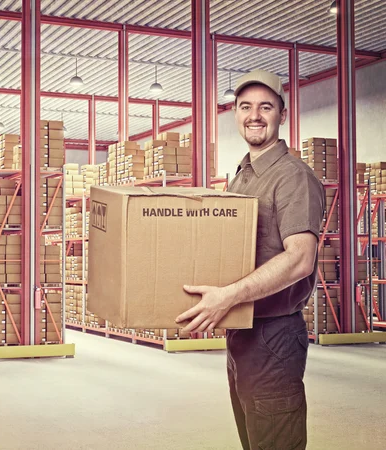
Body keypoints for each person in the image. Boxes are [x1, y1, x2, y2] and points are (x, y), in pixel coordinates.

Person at [175, 69, 325, 450]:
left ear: (282, 114)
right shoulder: (242, 176)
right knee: (254, 440)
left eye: (265, 107)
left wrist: (227, 297)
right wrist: (204, 306)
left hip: (274, 337)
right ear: (235, 113)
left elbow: (300, 260)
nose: (254, 115)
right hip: (242, 333)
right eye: (246, 107)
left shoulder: (292, 177)